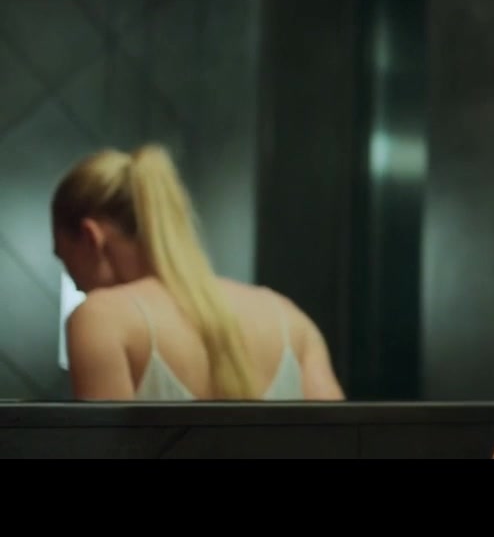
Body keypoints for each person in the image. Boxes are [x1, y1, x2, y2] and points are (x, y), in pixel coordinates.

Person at [51, 144, 345, 401]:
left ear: (91, 237)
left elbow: (103, 444)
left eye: (67, 261)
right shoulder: (290, 319)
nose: (76, 286)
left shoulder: (102, 320)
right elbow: (344, 439)